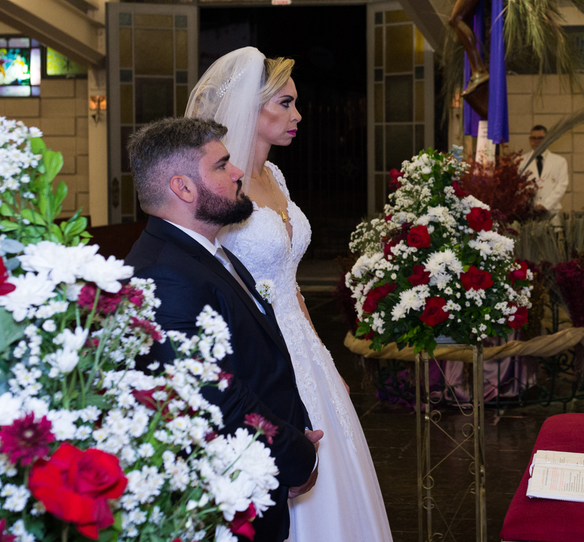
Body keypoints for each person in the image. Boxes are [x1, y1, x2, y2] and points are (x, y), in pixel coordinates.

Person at [186, 48, 393, 542]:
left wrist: (323, 357)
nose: (298, 115)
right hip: (258, 348)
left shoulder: (275, 176)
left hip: (302, 344)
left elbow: (289, 282)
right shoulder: (224, 186)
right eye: (285, 103)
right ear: (250, 107)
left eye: (295, 103)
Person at [124, 117, 321, 542]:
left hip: (258, 474)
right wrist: (295, 456)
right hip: (224, 502)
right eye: (221, 165)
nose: (237, 172)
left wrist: (295, 428)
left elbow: (256, 360)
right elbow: (216, 398)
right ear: (183, 188)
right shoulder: (163, 274)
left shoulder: (205, 251)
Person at [526, 125, 568, 217]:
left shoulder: (560, 161)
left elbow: (562, 185)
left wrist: (545, 205)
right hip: (528, 213)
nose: (537, 141)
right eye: (534, 138)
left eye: (540, 138)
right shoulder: (521, 162)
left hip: (552, 211)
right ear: (530, 140)